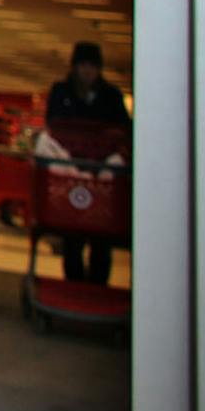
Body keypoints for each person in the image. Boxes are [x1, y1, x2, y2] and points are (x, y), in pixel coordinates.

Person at [45, 41, 132, 285]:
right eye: (83, 65)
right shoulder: (61, 92)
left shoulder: (111, 96)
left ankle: (97, 288)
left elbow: (123, 131)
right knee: (72, 235)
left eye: (92, 66)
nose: (87, 71)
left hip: (101, 175)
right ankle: (74, 286)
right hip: (69, 171)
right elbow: (53, 124)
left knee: (101, 238)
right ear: (74, 66)